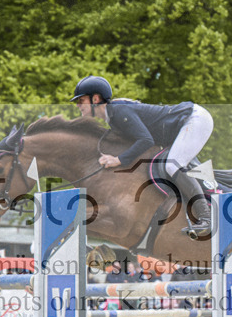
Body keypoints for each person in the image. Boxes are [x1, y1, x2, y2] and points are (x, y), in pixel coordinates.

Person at [71, 75, 215, 239]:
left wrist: (117, 160)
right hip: (183, 124)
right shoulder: (114, 116)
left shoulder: (118, 113)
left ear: (95, 98)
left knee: (172, 165)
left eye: (81, 100)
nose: (78, 105)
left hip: (193, 119)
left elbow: (146, 140)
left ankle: (206, 217)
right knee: (169, 164)